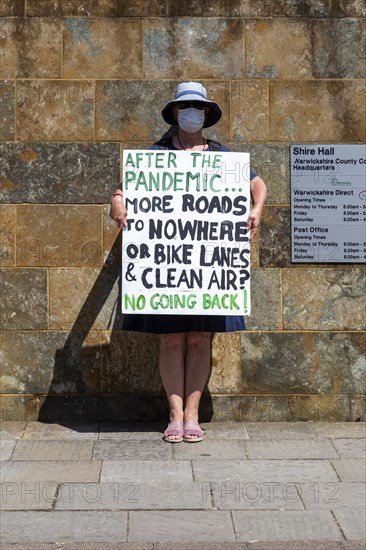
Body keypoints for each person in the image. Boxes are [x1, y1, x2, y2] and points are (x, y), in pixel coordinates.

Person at [110, 82, 267, 443]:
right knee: (170, 339)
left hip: (207, 270)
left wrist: (256, 210)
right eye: (186, 107)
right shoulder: (157, 155)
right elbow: (126, 187)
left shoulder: (222, 156)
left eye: (198, 106)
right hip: (167, 271)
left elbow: (257, 184)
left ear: (207, 114)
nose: (193, 112)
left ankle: (193, 415)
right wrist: (118, 200)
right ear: (176, 114)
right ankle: (174, 414)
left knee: (198, 339)